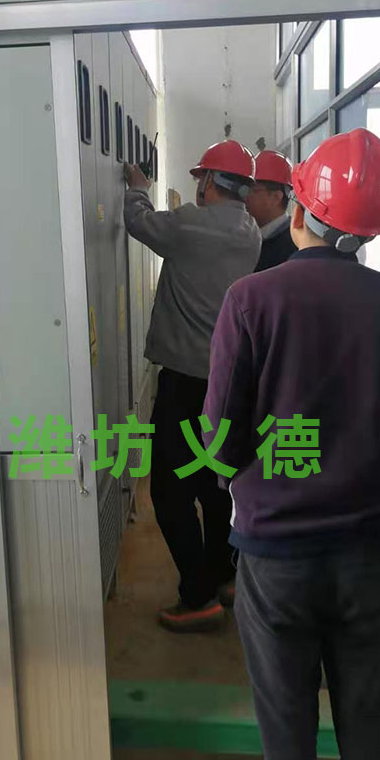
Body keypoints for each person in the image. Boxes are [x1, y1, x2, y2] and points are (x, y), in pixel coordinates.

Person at [203, 128, 380, 760]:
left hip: (277, 556)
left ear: (299, 209)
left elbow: (219, 440)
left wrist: (250, 486)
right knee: (368, 748)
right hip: (373, 555)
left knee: (287, 754)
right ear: (373, 229)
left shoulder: (251, 300)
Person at [123, 140, 261, 633]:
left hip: (184, 384)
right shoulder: (250, 234)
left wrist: (137, 188)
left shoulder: (189, 226)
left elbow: (138, 222)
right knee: (214, 483)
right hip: (226, 386)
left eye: (201, 177)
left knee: (167, 491)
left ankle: (197, 596)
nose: (198, 185)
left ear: (210, 183)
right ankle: (223, 575)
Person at [245, 149, 295, 272]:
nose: (244, 197)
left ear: (276, 197)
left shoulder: (293, 245)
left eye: (251, 191)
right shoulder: (247, 237)